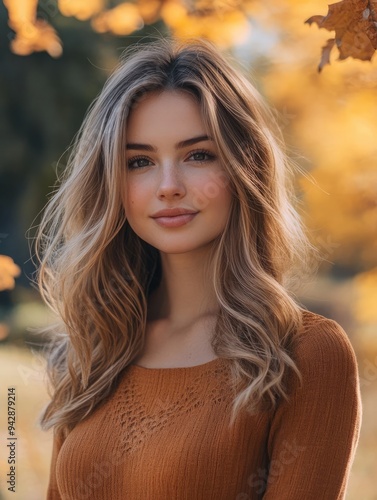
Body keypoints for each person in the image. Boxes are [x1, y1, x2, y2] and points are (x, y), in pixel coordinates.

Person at [34, 36, 361, 499]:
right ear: (111, 180)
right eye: (140, 161)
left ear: (244, 167)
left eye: (198, 155)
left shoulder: (303, 354)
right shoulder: (96, 348)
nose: (168, 186)